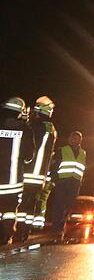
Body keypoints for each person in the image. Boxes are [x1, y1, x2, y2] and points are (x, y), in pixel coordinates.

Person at [14, 96, 57, 242]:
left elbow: (26, 146)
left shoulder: (34, 126)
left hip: (27, 171)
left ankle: (18, 233)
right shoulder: (50, 128)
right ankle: (24, 233)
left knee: (21, 203)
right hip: (40, 176)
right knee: (30, 204)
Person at [1, 97, 30, 244]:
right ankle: (5, 237)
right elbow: (29, 156)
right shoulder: (24, 128)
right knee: (10, 211)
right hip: (12, 181)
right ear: (20, 112)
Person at [48, 130, 87, 236]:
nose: (75, 140)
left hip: (75, 182)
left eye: (78, 138)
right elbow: (54, 166)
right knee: (59, 205)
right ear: (69, 139)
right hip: (62, 181)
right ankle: (56, 228)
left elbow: (82, 168)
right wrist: (54, 179)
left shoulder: (83, 153)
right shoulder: (62, 150)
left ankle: (61, 225)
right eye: (73, 138)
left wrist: (80, 181)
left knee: (68, 205)